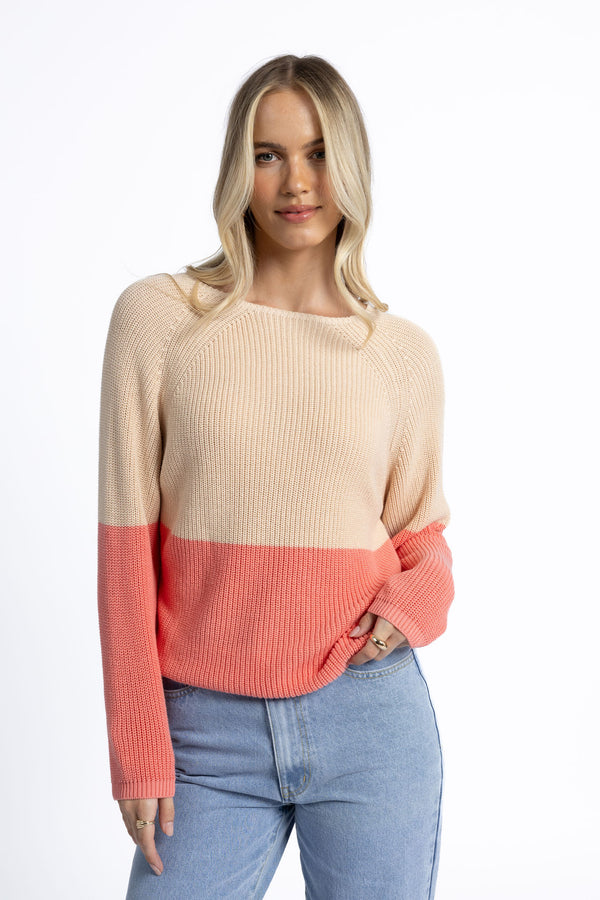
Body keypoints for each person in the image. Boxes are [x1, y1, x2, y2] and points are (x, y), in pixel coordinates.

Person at [97, 53, 454, 899]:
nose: (297, 182)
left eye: (320, 153)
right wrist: (138, 745)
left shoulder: (400, 355)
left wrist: (412, 602)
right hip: (206, 732)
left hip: (370, 718)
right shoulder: (160, 320)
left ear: (351, 166)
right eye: (269, 154)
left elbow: (422, 538)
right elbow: (124, 553)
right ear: (238, 169)